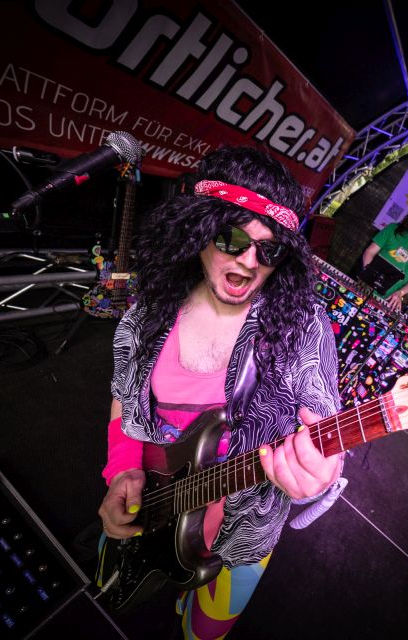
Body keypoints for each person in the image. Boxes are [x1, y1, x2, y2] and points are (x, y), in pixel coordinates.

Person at [96, 146, 343, 638]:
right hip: (150, 501)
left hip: (241, 534)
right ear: (198, 230)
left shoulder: (303, 328)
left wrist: (321, 474)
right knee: (106, 596)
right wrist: (121, 468)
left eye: (269, 250)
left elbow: (323, 423)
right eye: (232, 238)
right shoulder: (150, 309)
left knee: (204, 634)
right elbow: (125, 395)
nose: (248, 261)